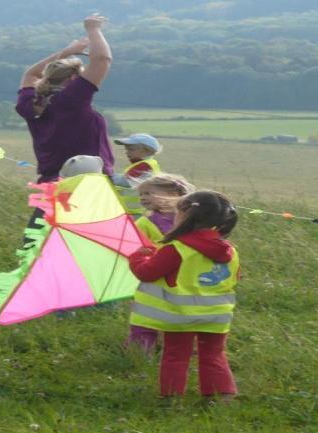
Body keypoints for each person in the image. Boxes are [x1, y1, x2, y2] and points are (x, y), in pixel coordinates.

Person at [128, 191, 240, 398]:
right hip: (217, 315)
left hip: (181, 315)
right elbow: (235, 277)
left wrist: (137, 257)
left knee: (175, 356)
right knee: (214, 355)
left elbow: (146, 273)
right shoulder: (230, 251)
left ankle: (171, 399)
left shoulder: (177, 248)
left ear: (186, 215)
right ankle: (221, 397)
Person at [14, 14, 114, 242]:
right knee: (95, 249)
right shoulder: (70, 101)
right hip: (87, 185)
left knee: (37, 248)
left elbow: (31, 74)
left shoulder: (30, 104)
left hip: (52, 187)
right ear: (72, 79)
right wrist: (93, 29)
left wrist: (67, 52)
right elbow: (102, 60)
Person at [124, 174, 195, 351]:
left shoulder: (191, 219)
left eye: (148, 193)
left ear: (172, 193)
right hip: (157, 275)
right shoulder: (145, 222)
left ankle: (178, 346)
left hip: (179, 276)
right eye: (141, 195)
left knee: (175, 312)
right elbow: (135, 246)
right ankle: (142, 348)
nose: (142, 198)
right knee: (147, 312)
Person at [112, 134, 163, 215]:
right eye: (126, 149)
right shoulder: (145, 164)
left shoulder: (144, 165)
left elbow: (124, 181)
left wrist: (105, 173)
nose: (127, 152)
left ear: (147, 150)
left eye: (131, 149)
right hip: (134, 211)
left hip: (136, 213)